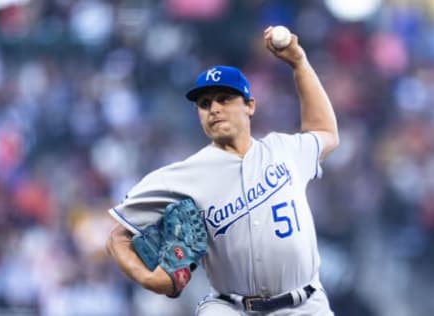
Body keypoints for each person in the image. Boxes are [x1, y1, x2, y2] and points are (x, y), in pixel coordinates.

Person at [106, 26, 339, 316]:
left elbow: (325, 132)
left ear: (250, 106)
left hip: (306, 305)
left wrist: (299, 63)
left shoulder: (284, 150)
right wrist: (149, 279)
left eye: (224, 99)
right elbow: (118, 236)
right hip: (231, 307)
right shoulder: (181, 176)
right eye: (204, 104)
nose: (214, 108)